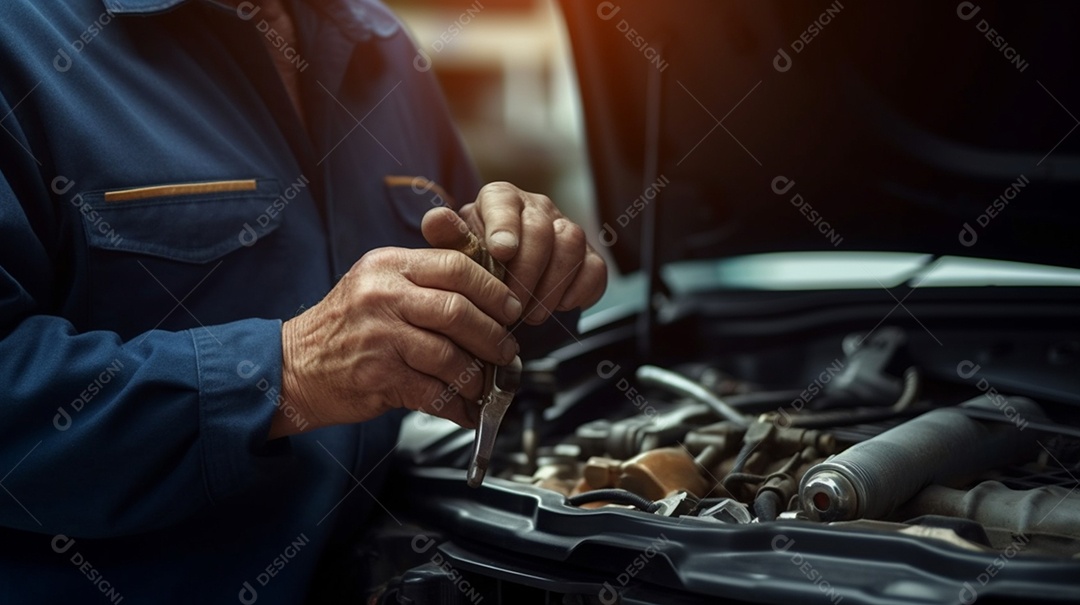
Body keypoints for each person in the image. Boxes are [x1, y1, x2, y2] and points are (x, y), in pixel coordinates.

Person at [0, 0, 607, 602]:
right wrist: (290, 372)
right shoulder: (20, 37)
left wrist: (522, 275)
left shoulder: (377, 37)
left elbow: (447, 312)